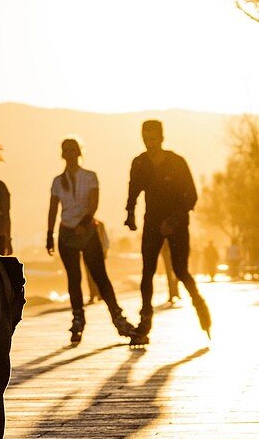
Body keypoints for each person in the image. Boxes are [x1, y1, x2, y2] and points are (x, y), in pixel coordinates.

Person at [125, 120, 211, 344]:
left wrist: (173, 221)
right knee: (148, 271)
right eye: (146, 138)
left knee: (181, 270)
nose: (150, 143)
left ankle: (200, 306)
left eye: (153, 138)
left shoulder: (176, 162)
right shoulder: (140, 163)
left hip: (178, 223)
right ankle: (145, 321)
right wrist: (130, 214)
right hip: (152, 222)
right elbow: (133, 190)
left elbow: (191, 196)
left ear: (161, 138)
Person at [47, 138, 135, 344]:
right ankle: (78, 318)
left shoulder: (90, 177)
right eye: (65, 150)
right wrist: (49, 233)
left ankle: (118, 317)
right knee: (74, 278)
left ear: (79, 152)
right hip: (66, 232)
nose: (69, 153)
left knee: (100, 276)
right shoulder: (57, 181)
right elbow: (53, 208)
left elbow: (94, 203)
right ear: (62, 154)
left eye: (72, 150)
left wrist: (85, 223)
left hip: (87, 231)